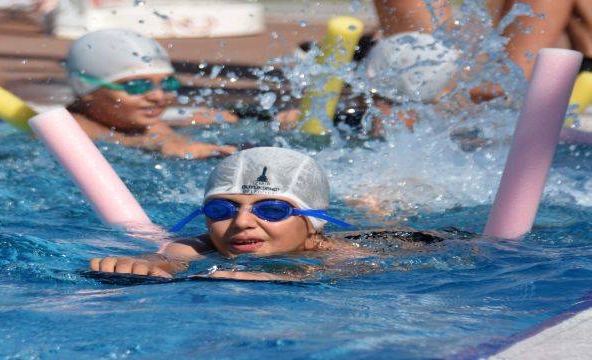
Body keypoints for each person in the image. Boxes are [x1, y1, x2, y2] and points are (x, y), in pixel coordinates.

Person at [89, 147, 460, 281]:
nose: (242, 222)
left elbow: (356, 272)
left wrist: (299, 275)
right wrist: (144, 265)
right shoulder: (200, 247)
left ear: (313, 225)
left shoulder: (344, 253)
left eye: (272, 209)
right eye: (221, 209)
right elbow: (168, 258)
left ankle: (379, 203)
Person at [65, 29, 238, 159]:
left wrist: (186, 121)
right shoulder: (64, 126)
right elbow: (97, 137)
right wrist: (150, 143)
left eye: (167, 83)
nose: (158, 96)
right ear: (85, 88)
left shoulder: (135, 120)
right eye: (137, 86)